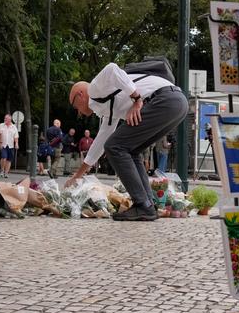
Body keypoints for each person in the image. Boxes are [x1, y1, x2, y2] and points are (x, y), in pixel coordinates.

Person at [66, 62, 188, 221]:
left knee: (115, 146)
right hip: (176, 103)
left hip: (163, 100)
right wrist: (78, 175)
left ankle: (142, 205)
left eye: (76, 107)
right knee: (130, 150)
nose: (79, 112)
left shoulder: (95, 89)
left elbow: (111, 69)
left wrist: (137, 99)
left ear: (80, 94)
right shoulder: (108, 106)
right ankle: (148, 204)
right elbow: (100, 143)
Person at [0, 114, 19, 179]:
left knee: (9, 160)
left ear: (10, 120)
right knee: (4, 157)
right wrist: (0, 143)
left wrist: (16, 144)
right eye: (4, 118)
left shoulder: (14, 127)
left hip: (11, 145)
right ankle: (2, 171)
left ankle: (6, 173)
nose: (4, 120)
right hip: (3, 144)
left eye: (6, 119)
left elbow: (16, 136)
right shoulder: (1, 125)